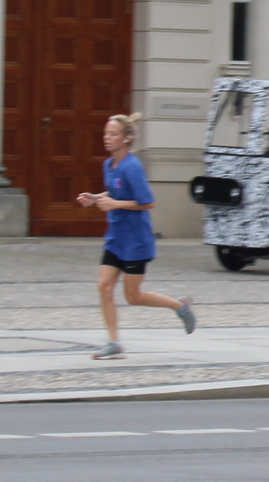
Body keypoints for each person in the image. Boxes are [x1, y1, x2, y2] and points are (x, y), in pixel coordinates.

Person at [77, 114, 195, 360]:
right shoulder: (109, 165)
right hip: (116, 237)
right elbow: (115, 191)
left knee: (133, 296)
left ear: (126, 139)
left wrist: (114, 204)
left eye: (113, 134)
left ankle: (180, 306)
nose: (107, 139)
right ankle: (114, 342)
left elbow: (148, 201)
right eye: (106, 134)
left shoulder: (133, 166)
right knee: (104, 286)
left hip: (136, 241)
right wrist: (96, 198)